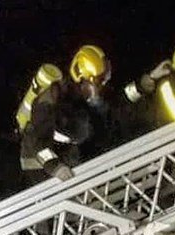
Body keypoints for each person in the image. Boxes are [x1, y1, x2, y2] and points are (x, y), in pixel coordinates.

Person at [18, 45, 112, 183]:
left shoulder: (77, 99)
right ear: (82, 79)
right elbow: (37, 141)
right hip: (40, 167)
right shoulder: (50, 98)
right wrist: (55, 167)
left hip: (65, 160)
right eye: (97, 82)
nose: (99, 89)